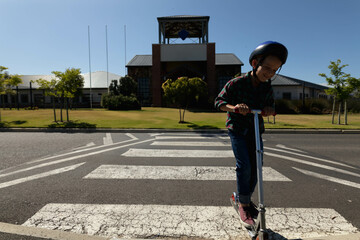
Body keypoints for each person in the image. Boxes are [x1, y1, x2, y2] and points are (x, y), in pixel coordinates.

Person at [214, 41, 288, 227]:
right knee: (244, 165)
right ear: (255, 64)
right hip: (237, 129)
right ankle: (244, 204)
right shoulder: (237, 83)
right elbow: (219, 102)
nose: (270, 73)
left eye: (275, 70)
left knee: (256, 167)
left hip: (255, 129)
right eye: (267, 68)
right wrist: (235, 108)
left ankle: (243, 198)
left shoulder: (267, 86)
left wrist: (270, 110)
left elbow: (270, 105)